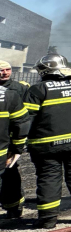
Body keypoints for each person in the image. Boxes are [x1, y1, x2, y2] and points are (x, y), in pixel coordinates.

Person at [19, 55, 71, 229]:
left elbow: (27, 119)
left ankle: (48, 219)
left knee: (49, 178)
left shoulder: (38, 90)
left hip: (46, 145)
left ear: (46, 71)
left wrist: (20, 141)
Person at [0, 60, 30, 221]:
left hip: (11, 138)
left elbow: (25, 116)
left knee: (10, 173)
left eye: (7, 70)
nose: (4, 73)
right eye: (1, 70)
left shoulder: (19, 88)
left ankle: (14, 207)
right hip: (3, 137)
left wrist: (18, 144)